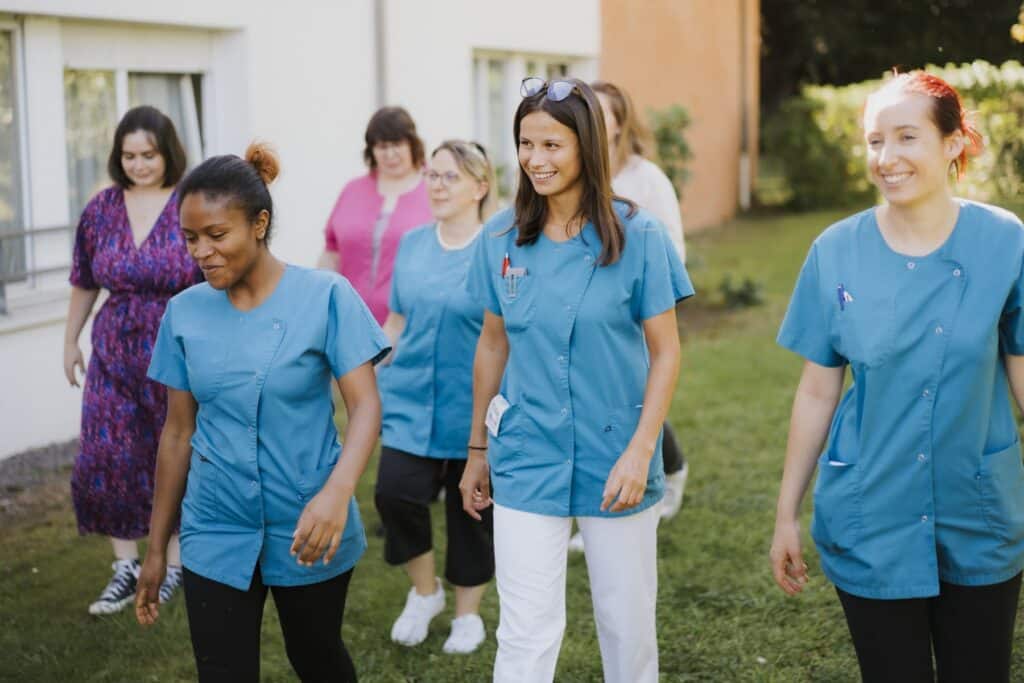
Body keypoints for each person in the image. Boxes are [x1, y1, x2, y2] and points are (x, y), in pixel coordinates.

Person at [771, 71, 1024, 683]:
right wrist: (786, 513)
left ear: (953, 143)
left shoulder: (1006, 243)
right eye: (873, 141)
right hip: (870, 515)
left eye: (906, 137)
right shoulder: (834, 251)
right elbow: (817, 389)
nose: (887, 158)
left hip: (980, 511)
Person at [459, 77, 692, 683]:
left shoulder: (639, 236)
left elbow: (666, 353)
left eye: (552, 145)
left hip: (616, 454)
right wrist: (476, 450)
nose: (536, 160)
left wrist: (643, 452)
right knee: (525, 630)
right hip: (526, 453)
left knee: (626, 624)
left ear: (587, 145)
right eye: (526, 144)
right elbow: (492, 343)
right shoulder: (499, 240)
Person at [135, 144, 389, 682]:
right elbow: (177, 434)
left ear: (259, 224)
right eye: (190, 238)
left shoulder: (325, 296)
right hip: (214, 526)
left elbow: (365, 407)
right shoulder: (183, 313)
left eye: (217, 235)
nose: (202, 251)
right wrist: (157, 549)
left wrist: (337, 494)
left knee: (317, 659)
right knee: (223, 672)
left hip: (310, 521)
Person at [64, 105, 201, 615]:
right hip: (113, 353)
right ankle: (123, 565)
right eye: (130, 155)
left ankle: (171, 564)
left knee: (170, 454)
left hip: (176, 352)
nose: (140, 164)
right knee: (106, 455)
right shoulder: (101, 209)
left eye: (149, 154)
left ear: (168, 153)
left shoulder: (191, 202)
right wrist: (70, 341)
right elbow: (84, 279)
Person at [374, 140, 498, 654]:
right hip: (408, 398)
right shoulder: (413, 243)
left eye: (450, 177)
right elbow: (398, 318)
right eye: (432, 176)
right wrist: (370, 363)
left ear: (480, 186)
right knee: (394, 494)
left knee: (471, 512)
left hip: (472, 406)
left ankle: (467, 614)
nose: (437, 186)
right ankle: (425, 593)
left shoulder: (498, 247)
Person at [591, 79, 689, 523]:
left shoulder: (646, 180)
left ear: (618, 124)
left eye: (601, 112)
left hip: (634, 312)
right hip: (589, 315)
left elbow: (672, 253)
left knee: (636, 395)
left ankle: (670, 470)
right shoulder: (581, 173)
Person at [319, 106, 432, 324]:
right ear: (371, 150)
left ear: (413, 144)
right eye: (382, 146)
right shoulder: (352, 190)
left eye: (397, 144)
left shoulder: (434, 188)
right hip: (350, 320)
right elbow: (331, 253)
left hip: (412, 324)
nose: (390, 155)